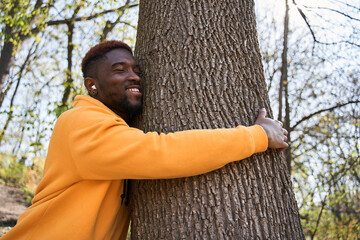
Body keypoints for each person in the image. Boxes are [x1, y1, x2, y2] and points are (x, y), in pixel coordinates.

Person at [2, 40, 288, 240]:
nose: (134, 76)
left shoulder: (114, 127)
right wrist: (257, 135)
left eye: (136, 70)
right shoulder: (79, 120)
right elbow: (161, 152)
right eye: (119, 70)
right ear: (92, 85)